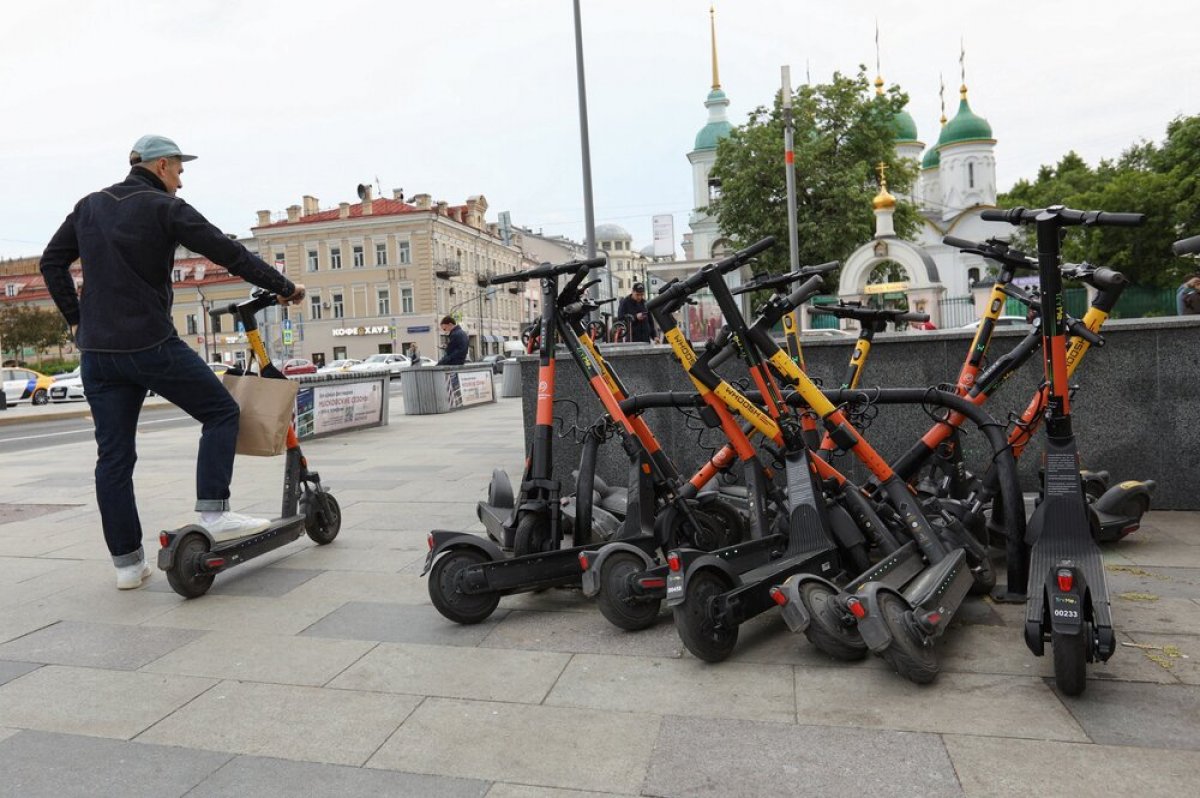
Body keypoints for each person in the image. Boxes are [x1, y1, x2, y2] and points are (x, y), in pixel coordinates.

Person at [39, 134, 307, 590]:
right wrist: (283, 286)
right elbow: (229, 252)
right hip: (149, 345)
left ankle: (127, 565)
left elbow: (51, 262)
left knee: (114, 459)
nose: (181, 182)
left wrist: (77, 322)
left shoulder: (89, 205)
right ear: (162, 166)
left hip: (98, 355)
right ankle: (214, 512)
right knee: (221, 411)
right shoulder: (165, 207)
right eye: (180, 171)